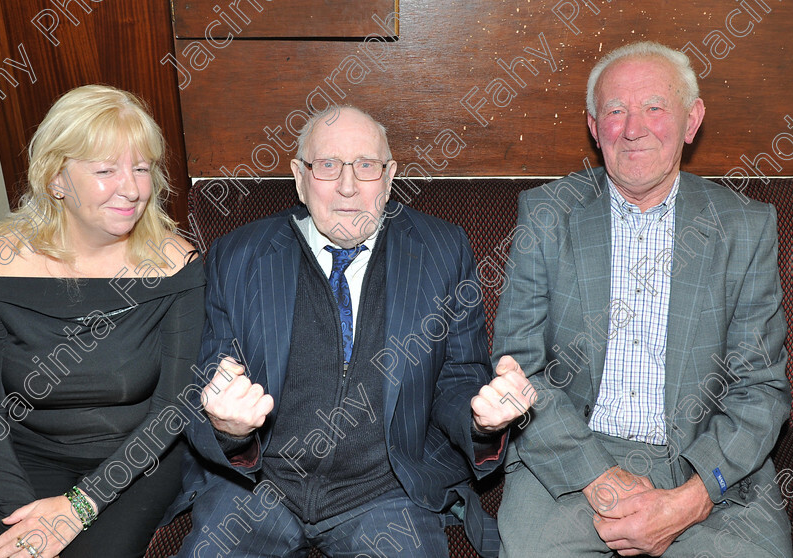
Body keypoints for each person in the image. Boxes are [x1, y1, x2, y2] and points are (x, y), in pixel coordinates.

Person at [161, 105, 533, 557]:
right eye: (328, 165)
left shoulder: (442, 250)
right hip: (257, 486)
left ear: (390, 176)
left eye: (366, 166)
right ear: (299, 177)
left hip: (386, 491)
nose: (348, 186)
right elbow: (202, 387)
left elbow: (459, 378)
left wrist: (482, 420)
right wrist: (227, 428)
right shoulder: (237, 256)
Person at [493, 40, 793, 557]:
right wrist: (600, 480)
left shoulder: (744, 226)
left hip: (703, 466)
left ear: (691, 120)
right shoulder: (546, 216)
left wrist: (690, 500)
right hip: (570, 463)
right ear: (594, 126)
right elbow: (521, 372)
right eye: (615, 111)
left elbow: (761, 389)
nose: (633, 128)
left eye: (655, 107)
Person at [0, 85, 205, 558]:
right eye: (106, 170)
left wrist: (79, 507)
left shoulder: (175, 264)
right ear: (56, 179)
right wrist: (23, 514)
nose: (131, 189)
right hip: (18, 456)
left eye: (141, 168)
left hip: (135, 460)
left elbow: (173, 409)